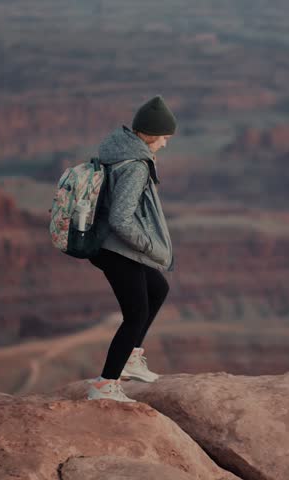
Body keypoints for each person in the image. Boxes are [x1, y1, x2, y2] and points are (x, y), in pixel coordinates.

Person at [85, 95, 177, 403]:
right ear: (150, 134)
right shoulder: (135, 165)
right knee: (136, 314)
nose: (165, 143)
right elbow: (121, 219)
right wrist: (148, 245)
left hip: (109, 244)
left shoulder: (117, 149)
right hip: (115, 248)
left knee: (158, 289)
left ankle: (131, 359)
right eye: (164, 137)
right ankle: (105, 385)